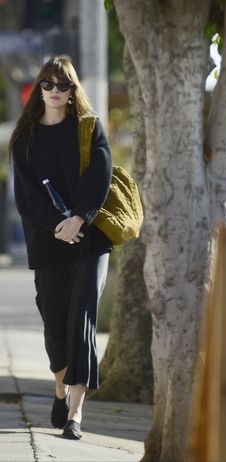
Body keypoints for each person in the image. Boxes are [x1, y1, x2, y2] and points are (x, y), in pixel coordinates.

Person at [9, 56, 112, 440]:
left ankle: (76, 415)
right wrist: (58, 225)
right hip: (48, 244)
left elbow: (100, 176)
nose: (55, 91)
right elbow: (27, 197)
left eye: (62, 85)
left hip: (89, 240)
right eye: (48, 85)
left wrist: (79, 218)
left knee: (81, 320)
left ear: (73, 91)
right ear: (39, 89)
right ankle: (58, 388)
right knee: (55, 323)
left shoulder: (88, 127)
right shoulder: (25, 137)